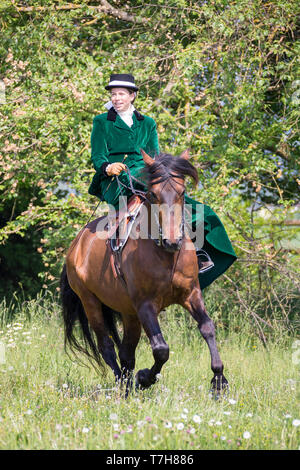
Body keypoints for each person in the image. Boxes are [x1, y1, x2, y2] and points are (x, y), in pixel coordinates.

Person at [89, 73, 237, 288]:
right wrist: (108, 167)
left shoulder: (148, 123)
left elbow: (155, 154)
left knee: (179, 200)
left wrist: (162, 174)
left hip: (147, 173)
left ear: (132, 96)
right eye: (113, 94)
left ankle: (199, 251)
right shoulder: (102, 121)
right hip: (115, 177)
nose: (116, 98)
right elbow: (98, 155)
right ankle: (117, 251)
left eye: (121, 94)